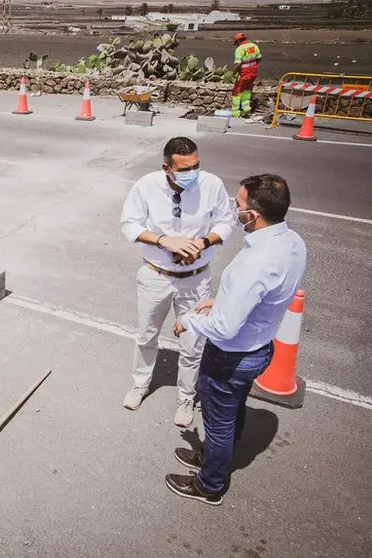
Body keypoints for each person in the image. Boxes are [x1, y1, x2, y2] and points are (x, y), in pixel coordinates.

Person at [167, 174, 306, 505]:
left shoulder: (257, 262)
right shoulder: (292, 242)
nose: (235, 209)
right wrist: (223, 299)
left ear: (252, 216)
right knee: (232, 412)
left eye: (238, 206)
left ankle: (210, 484)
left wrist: (189, 320)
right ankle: (216, 460)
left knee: (218, 423)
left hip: (231, 355)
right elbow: (269, 291)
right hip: (258, 346)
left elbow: (225, 328)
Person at [119, 137, 236, 427]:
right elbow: (129, 224)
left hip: (196, 280)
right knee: (147, 336)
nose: (193, 173)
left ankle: (186, 397)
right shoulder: (146, 186)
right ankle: (140, 384)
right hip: (155, 276)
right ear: (167, 168)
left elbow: (226, 222)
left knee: (193, 342)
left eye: (196, 165)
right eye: (185, 169)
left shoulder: (212, 185)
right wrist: (164, 241)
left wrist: (201, 243)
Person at [232, 33, 262, 119]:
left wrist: (233, 74)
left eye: (236, 43)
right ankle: (246, 109)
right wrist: (252, 66)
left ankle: (236, 113)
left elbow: (238, 64)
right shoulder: (254, 46)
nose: (236, 45)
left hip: (244, 74)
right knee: (247, 91)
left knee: (236, 92)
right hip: (253, 73)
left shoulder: (239, 49)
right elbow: (259, 58)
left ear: (238, 41)